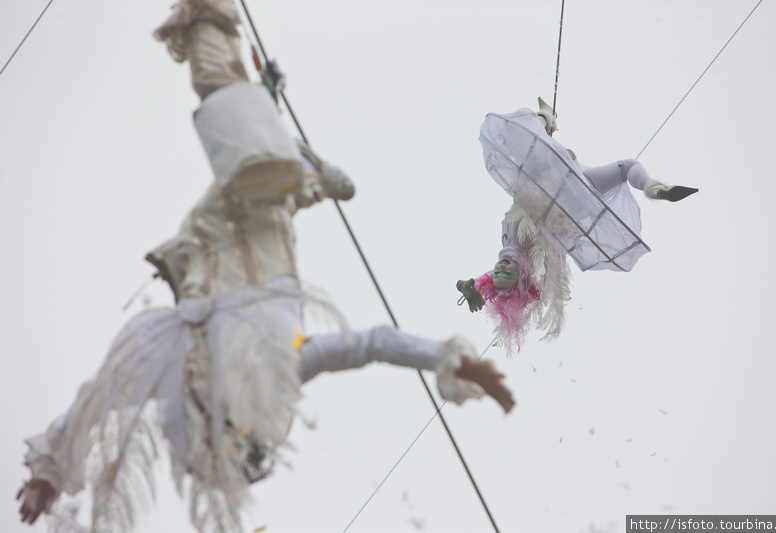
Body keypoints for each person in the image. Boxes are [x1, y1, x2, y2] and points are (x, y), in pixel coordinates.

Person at [16, 2, 515, 532]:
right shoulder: (286, 365)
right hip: (261, 221)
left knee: (227, 100)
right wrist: (446, 358)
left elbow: (104, 392)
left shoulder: (186, 372)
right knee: (251, 130)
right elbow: (370, 343)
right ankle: (270, 116)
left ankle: (235, 59)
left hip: (223, 237)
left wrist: (50, 469)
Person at [457, 99, 698, 352]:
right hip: (575, 193)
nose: (501, 267)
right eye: (507, 274)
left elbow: (495, 274)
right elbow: (510, 267)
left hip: (557, 183)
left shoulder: (512, 244)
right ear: (521, 278)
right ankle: (652, 187)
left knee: (536, 136)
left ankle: (649, 186)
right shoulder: (532, 252)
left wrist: (473, 285)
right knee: (623, 166)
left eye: (498, 272)